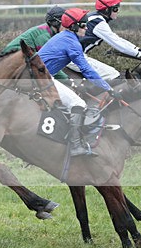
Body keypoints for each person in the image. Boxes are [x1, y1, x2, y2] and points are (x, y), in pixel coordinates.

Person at [38, 8, 116, 157]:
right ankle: (75, 146)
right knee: (78, 104)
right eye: (83, 25)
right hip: (41, 78)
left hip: (39, 75)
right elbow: (87, 70)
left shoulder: (64, 37)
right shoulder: (72, 43)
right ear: (73, 26)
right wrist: (108, 88)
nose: (86, 28)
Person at [74, 0, 141, 80]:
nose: (118, 11)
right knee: (113, 74)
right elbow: (117, 44)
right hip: (75, 57)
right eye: (115, 9)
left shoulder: (95, 17)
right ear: (107, 10)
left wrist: (139, 50)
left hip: (74, 54)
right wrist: (140, 55)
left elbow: (117, 39)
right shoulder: (98, 23)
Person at [3, 5, 69, 82]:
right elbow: (46, 62)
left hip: (24, 55)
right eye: (66, 22)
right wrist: (67, 80)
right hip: (12, 56)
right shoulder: (44, 36)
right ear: (56, 22)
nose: (68, 26)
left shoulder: (51, 32)